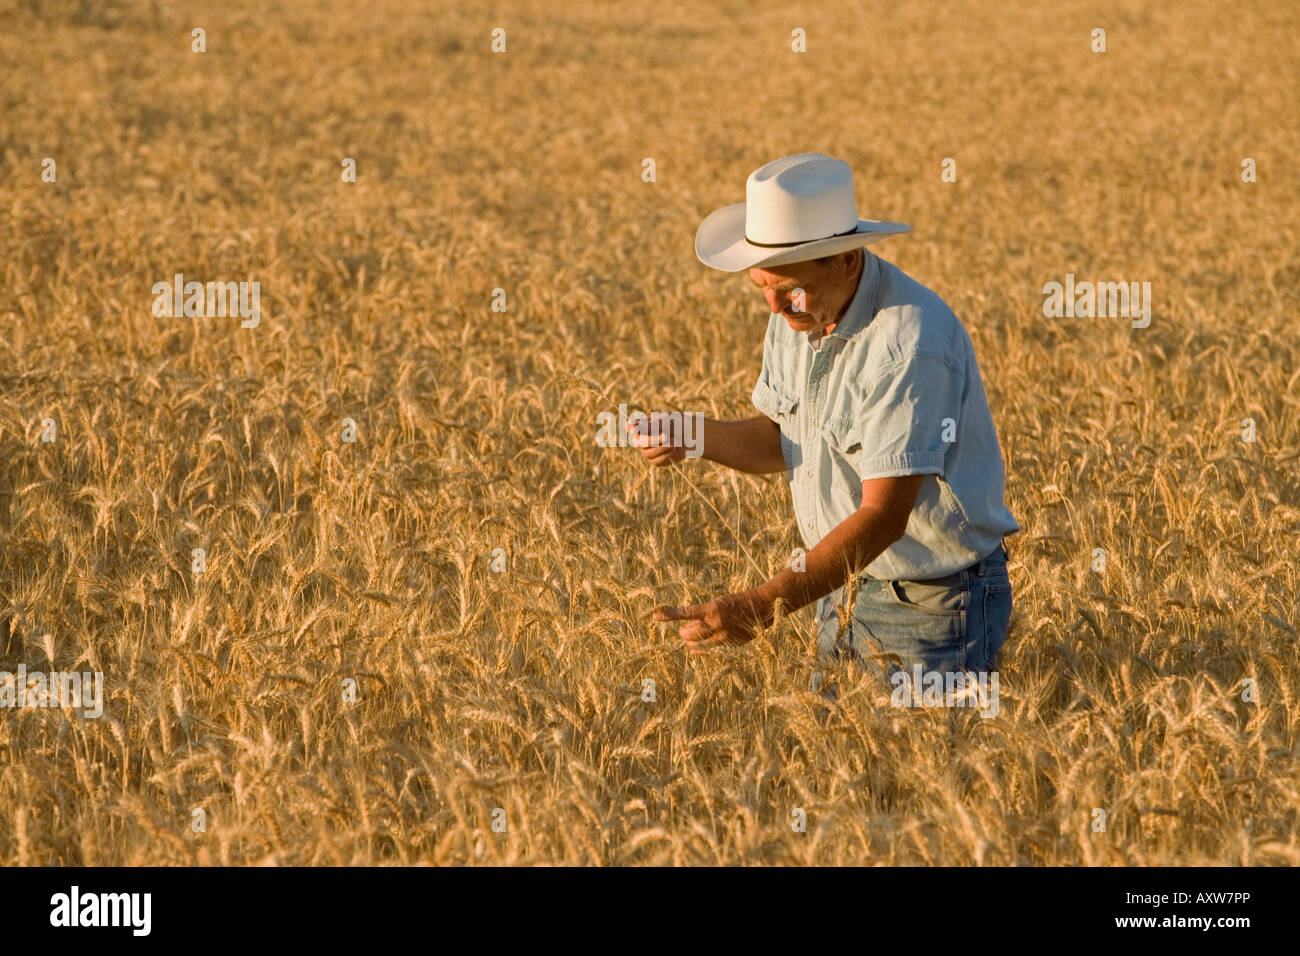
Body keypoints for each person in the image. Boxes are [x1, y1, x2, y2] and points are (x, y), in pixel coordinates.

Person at [631, 153, 1019, 695]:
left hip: (933, 606)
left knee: (918, 774)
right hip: (839, 586)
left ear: (847, 261)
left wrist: (761, 606)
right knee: (845, 770)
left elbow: (884, 516)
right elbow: (782, 440)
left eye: (786, 286)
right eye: (760, 286)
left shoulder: (908, 344)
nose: (772, 305)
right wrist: (694, 435)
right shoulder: (797, 311)